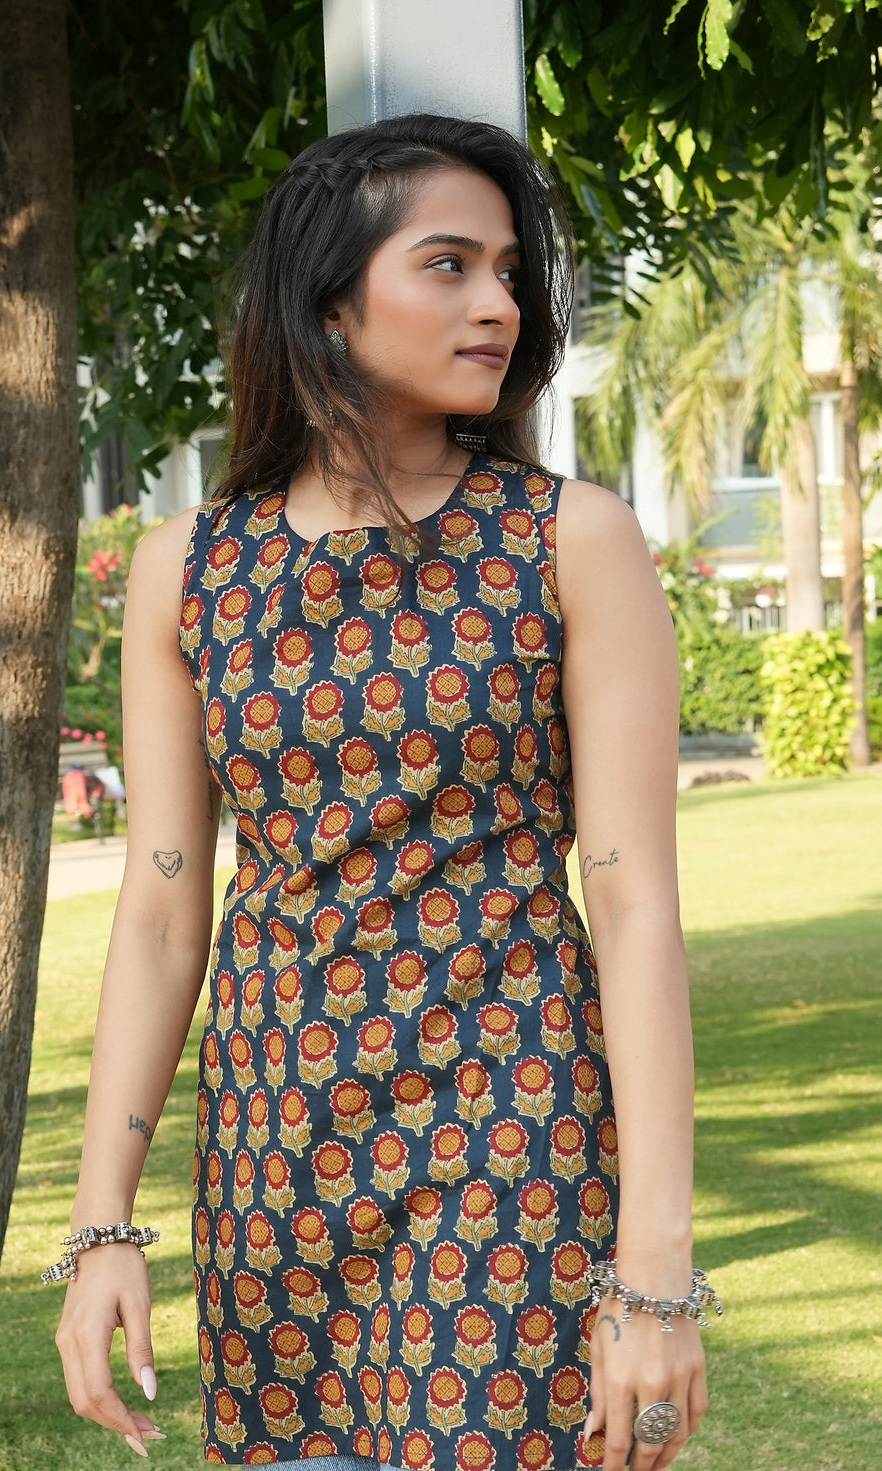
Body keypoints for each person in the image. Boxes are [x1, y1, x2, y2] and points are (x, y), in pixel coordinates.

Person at [52, 114, 718, 1471]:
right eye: (450, 265)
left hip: (512, 1137)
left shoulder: (569, 541)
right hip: (275, 1160)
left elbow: (633, 902)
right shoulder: (188, 569)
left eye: (511, 273)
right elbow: (163, 916)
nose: (499, 304)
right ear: (329, 305)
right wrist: (102, 1220)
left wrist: (653, 1268)